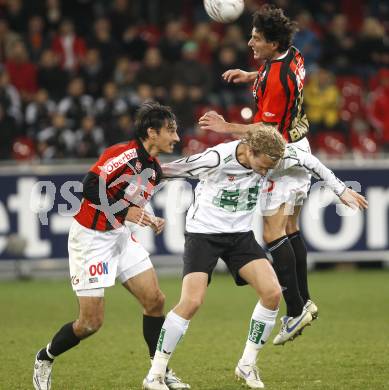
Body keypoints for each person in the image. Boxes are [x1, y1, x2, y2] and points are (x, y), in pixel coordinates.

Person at [143, 125, 368, 390]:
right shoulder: (216, 158)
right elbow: (166, 171)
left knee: (272, 293)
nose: (264, 173)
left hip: (240, 236)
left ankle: (247, 365)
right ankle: (155, 374)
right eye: (261, 167)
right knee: (191, 302)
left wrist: (341, 190)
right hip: (204, 235)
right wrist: (134, 193)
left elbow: (312, 162)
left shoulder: (275, 156)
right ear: (250, 150)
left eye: (269, 169)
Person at [33, 102, 190, 390]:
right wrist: (125, 212)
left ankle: (157, 372)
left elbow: (129, 202)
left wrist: (148, 218)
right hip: (91, 240)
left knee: (155, 301)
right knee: (90, 323)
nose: (176, 138)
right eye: (171, 131)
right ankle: (45, 357)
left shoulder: (153, 169)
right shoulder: (123, 154)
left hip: (118, 236)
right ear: (151, 132)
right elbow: (90, 186)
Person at [199, 4, 319, 345]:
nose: (250, 43)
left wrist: (225, 126)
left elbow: (266, 132)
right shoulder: (291, 56)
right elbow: (280, 76)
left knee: (272, 233)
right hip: (301, 146)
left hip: (281, 154)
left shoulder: (278, 79)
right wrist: (252, 75)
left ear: (272, 43)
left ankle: (295, 310)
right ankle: (303, 302)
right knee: (291, 229)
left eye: (256, 39)